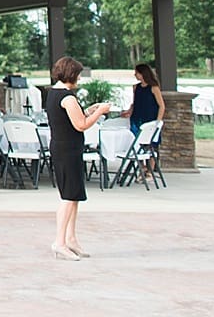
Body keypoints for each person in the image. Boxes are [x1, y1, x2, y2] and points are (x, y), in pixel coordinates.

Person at [46, 55, 112, 260]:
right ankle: (60, 242)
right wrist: (100, 112)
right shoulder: (67, 97)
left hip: (65, 148)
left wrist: (90, 110)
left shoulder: (54, 93)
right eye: (78, 75)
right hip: (67, 150)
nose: (79, 79)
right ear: (71, 74)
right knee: (68, 197)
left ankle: (71, 238)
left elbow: (74, 117)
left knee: (74, 195)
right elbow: (81, 125)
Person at [121, 62, 166, 137]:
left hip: (150, 118)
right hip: (136, 118)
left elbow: (161, 106)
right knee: (135, 138)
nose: (135, 74)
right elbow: (135, 103)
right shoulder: (135, 87)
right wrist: (128, 111)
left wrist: (157, 122)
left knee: (149, 139)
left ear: (143, 74)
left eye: (137, 73)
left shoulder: (154, 88)